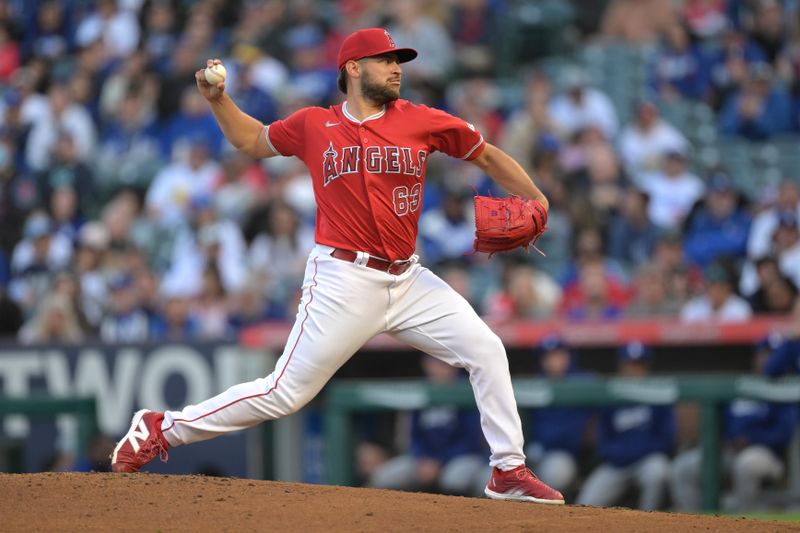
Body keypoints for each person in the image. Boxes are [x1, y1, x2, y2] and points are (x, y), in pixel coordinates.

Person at [111, 27, 563, 505]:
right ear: (353, 68)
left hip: (408, 278)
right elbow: (253, 141)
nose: (397, 68)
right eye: (386, 59)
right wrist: (220, 99)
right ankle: (163, 427)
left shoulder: (422, 119)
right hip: (343, 279)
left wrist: (536, 199)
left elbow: (487, 155)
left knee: (487, 349)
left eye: (399, 60)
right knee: (284, 393)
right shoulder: (313, 124)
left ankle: (507, 469)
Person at [670, 336, 797, 512]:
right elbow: (720, 422)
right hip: (729, 451)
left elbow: (783, 433)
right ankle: (694, 523)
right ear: (755, 356)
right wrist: (726, 439)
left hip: (766, 454)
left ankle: (742, 524)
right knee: (683, 467)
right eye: (763, 353)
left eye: (771, 354)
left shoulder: (782, 388)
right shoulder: (741, 385)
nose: (766, 358)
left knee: (745, 464)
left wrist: (751, 439)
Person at [368, 356, 489, 496]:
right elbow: (414, 436)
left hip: (462, 457)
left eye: (443, 364)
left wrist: (440, 461)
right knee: (384, 477)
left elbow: (472, 440)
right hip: (424, 459)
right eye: (433, 363)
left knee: (455, 480)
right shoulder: (421, 389)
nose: (437, 369)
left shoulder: (469, 390)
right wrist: (423, 458)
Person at [576, 342, 675, 510]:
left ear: (646, 368)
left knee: (658, 471)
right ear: (621, 367)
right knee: (585, 501)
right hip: (616, 464)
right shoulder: (611, 394)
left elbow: (667, 439)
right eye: (629, 365)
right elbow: (603, 441)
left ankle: (648, 521)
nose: (633, 371)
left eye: (638, 366)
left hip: (647, 462)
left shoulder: (658, 394)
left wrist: (636, 451)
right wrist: (620, 454)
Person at [525, 335, 592, 497]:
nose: (554, 361)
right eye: (548, 357)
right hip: (535, 451)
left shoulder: (582, 383)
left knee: (556, 473)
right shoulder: (534, 384)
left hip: (565, 453)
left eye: (558, 355)